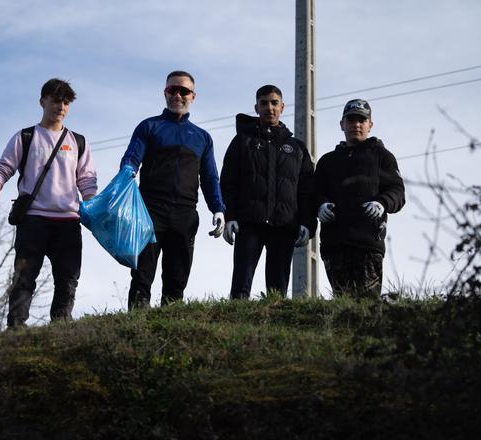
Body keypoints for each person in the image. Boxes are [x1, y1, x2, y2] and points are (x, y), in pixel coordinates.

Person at [0, 78, 97, 327]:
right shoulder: (26, 136)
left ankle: (60, 326)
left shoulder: (78, 141)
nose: (61, 106)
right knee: (24, 277)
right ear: (42, 101)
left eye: (66, 102)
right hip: (33, 219)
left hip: (68, 220)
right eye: (56, 100)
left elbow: (87, 180)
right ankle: (15, 328)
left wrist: (93, 207)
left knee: (67, 278)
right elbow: (3, 168)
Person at [120, 70, 226, 309]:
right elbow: (131, 157)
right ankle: (136, 328)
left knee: (176, 280)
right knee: (141, 276)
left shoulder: (202, 138)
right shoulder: (149, 127)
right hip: (149, 212)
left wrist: (218, 209)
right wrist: (127, 173)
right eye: (172, 90)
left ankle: (172, 325)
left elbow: (210, 177)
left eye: (184, 91)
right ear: (165, 93)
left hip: (185, 214)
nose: (178, 95)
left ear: (193, 96)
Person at [220, 84, 316, 299]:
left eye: (274, 103)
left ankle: (275, 328)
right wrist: (230, 216)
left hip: (284, 225)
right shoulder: (242, 142)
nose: (269, 108)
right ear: (256, 107)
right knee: (240, 288)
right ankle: (236, 328)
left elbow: (307, 190)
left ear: (282, 106)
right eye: (264, 103)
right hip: (249, 224)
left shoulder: (297, 148)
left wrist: (307, 223)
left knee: (277, 292)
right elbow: (228, 182)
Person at [314, 99, 405, 298]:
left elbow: (398, 192)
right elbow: (313, 193)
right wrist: (319, 205)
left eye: (361, 120)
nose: (356, 124)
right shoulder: (327, 162)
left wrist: (383, 203)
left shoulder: (383, 157)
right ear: (342, 124)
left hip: (368, 244)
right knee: (342, 303)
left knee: (367, 305)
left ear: (370, 125)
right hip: (334, 244)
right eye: (351, 119)